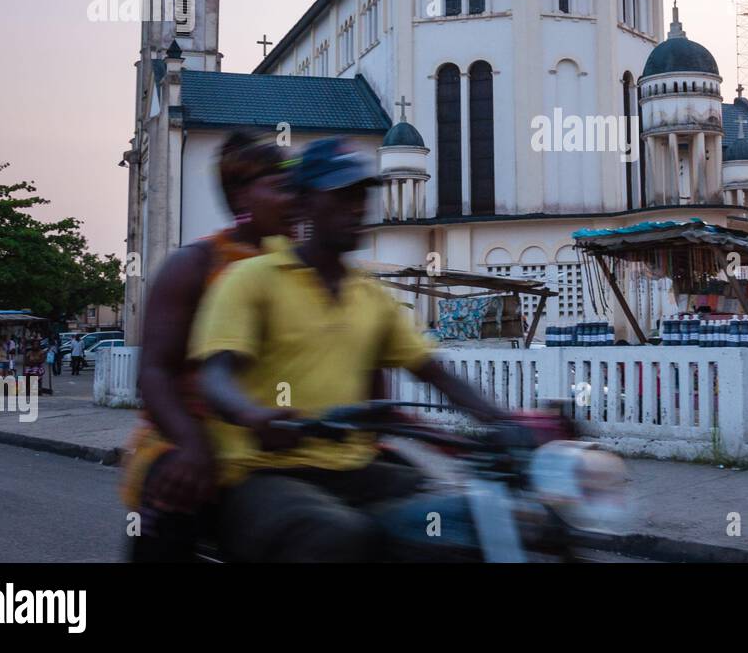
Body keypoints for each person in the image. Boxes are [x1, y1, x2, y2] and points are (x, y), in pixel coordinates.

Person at [189, 137, 510, 563]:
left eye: (362, 195)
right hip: (264, 473)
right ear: (304, 203)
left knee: (463, 524)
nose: (357, 208)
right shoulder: (251, 279)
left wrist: (506, 422)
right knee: (338, 536)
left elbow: (435, 372)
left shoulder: (370, 297)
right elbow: (216, 375)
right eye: (341, 196)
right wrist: (254, 415)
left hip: (353, 467)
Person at [122, 130, 296, 563]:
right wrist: (191, 444)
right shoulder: (195, 265)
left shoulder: (301, 268)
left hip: (277, 439)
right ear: (240, 197)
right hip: (188, 435)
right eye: (279, 186)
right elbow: (156, 372)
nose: (295, 198)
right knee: (175, 501)